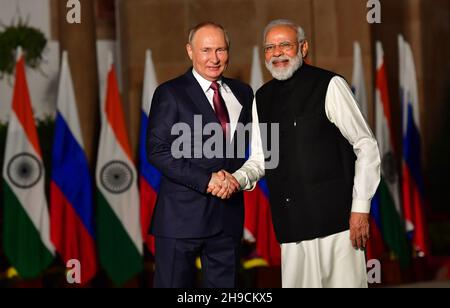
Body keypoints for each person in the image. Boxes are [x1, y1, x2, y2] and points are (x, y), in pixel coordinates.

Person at [256, 19, 381, 288]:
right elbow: (260, 158)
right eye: (270, 47)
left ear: (303, 47)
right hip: (292, 230)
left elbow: (366, 145)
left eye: (285, 45)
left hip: (338, 226)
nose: (277, 52)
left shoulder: (330, 84)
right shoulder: (261, 97)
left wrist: (360, 208)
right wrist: (235, 179)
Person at [146, 21, 264, 288]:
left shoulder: (243, 93)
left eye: (221, 50)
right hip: (180, 220)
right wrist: (207, 180)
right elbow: (157, 151)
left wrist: (237, 179)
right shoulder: (170, 93)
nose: (214, 58)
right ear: (190, 51)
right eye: (206, 50)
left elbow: (250, 150)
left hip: (227, 219)